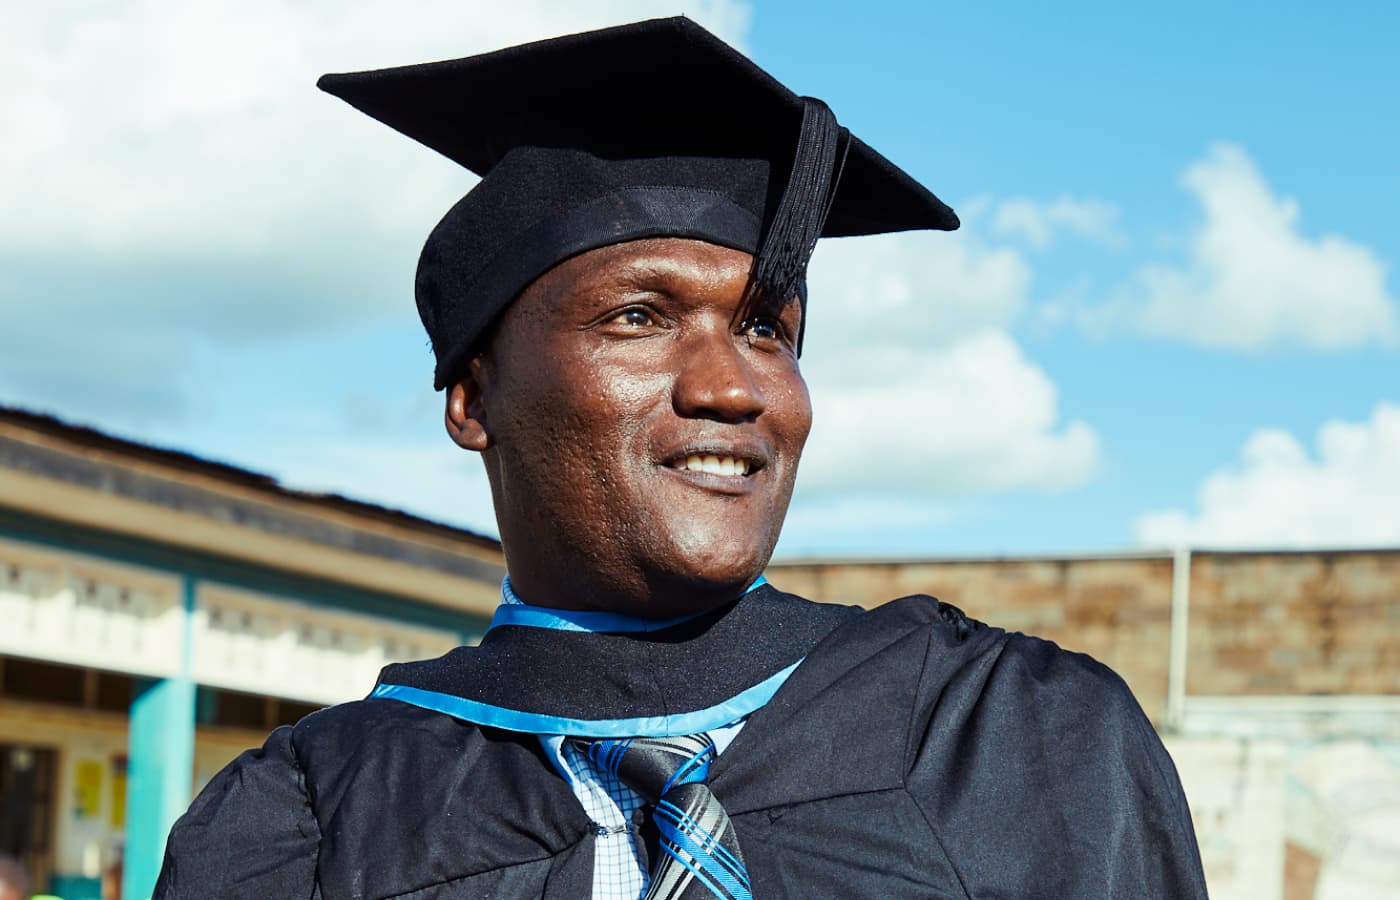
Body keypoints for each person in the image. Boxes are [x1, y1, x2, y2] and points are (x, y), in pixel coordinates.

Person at [155, 17, 1208, 899]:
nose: (731, 386)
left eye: (765, 329)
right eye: (636, 316)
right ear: (473, 400)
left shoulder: (1011, 735)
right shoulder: (311, 822)